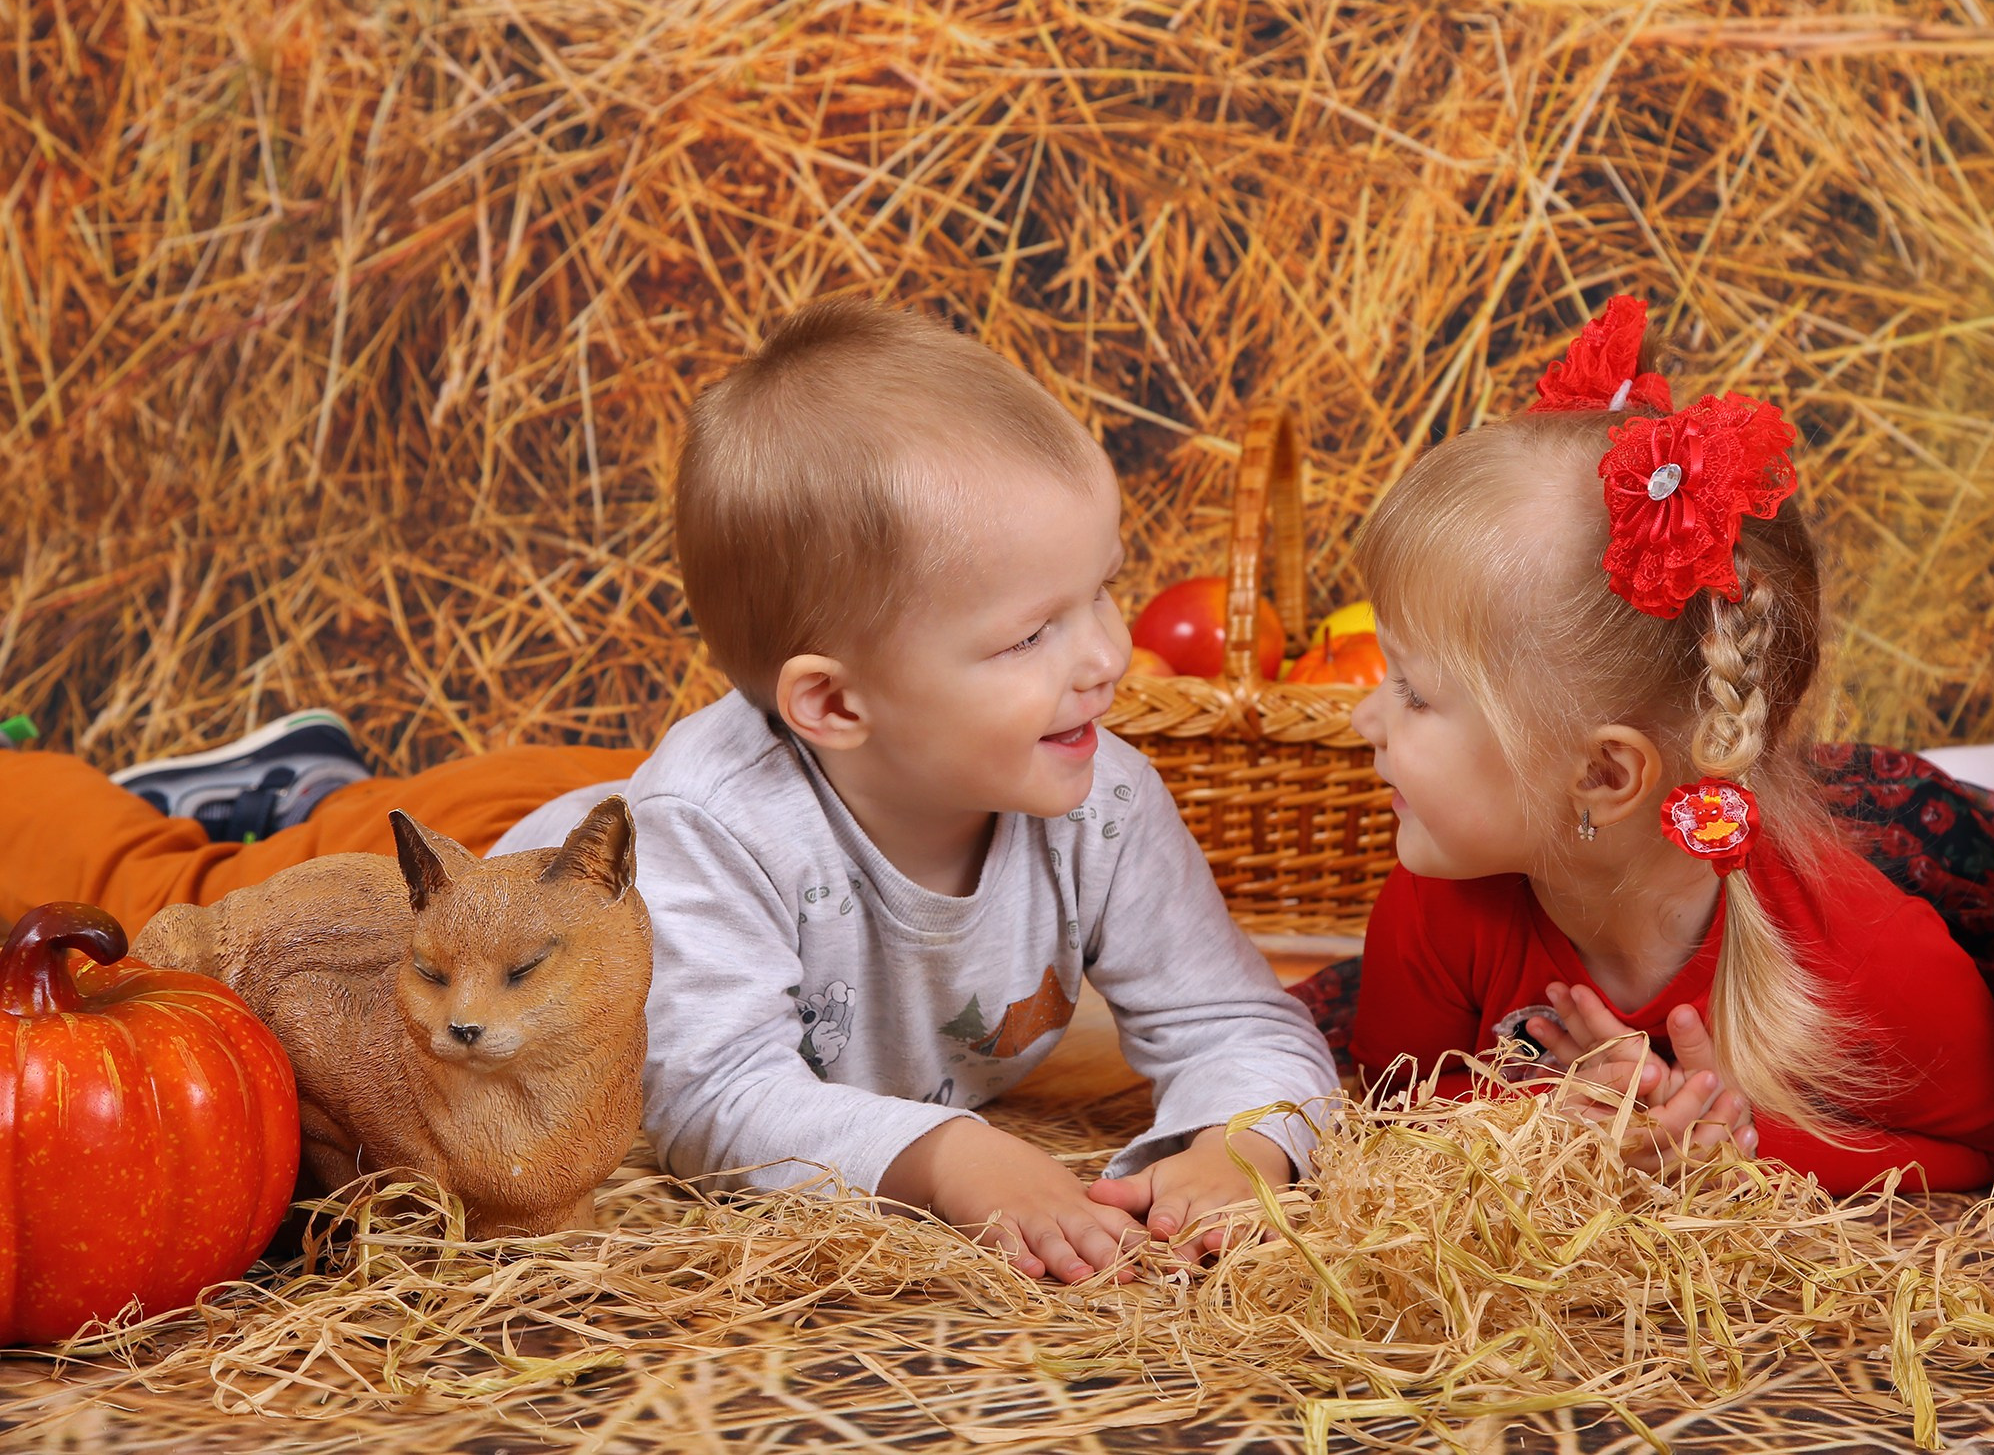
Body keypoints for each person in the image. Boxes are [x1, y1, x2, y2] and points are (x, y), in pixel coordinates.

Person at [0, 300, 1338, 1282]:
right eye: (1032, 634)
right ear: (833, 702)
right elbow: (708, 1093)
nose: (1107, 655)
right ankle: (182, 800)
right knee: (156, 906)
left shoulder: (1097, 795)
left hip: (600, 826)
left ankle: (311, 785)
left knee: (462, 813)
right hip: (459, 897)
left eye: (1103, 589)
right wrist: (949, 1155)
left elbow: (1243, 1021)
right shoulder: (720, 829)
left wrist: (1248, 1143)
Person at [1344, 296, 1994, 1192]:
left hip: (1896, 822)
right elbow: (1390, 1108)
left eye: (1412, 692)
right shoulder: (1439, 895)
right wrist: (1543, 1122)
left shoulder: (1869, 956)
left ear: (1600, 772)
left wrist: (1737, 1149)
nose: (1363, 719)